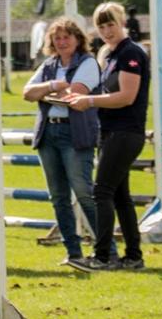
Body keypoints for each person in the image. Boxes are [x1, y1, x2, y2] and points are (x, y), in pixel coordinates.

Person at [65, 2, 148, 272]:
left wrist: (88, 101)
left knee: (102, 191)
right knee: (120, 195)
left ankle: (103, 256)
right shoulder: (107, 53)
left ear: (122, 21)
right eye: (101, 26)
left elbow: (127, 96)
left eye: (111, 24)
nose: (107, 31)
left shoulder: (131, 53)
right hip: (110, 130)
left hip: (127, 131)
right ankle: (133, 255)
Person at [22, 18, 102, 266]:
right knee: (58, 196)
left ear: (78, 39)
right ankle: (73, 251)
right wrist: (55, 86)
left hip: (75, 134)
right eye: (57, 38)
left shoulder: (88, 63)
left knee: (83, 192)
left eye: (67, 37)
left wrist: (45, 93)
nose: (62, 41)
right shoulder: (49, 65)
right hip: (49, 134)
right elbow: (27, 93)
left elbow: (74, 94)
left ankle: (105, 247)